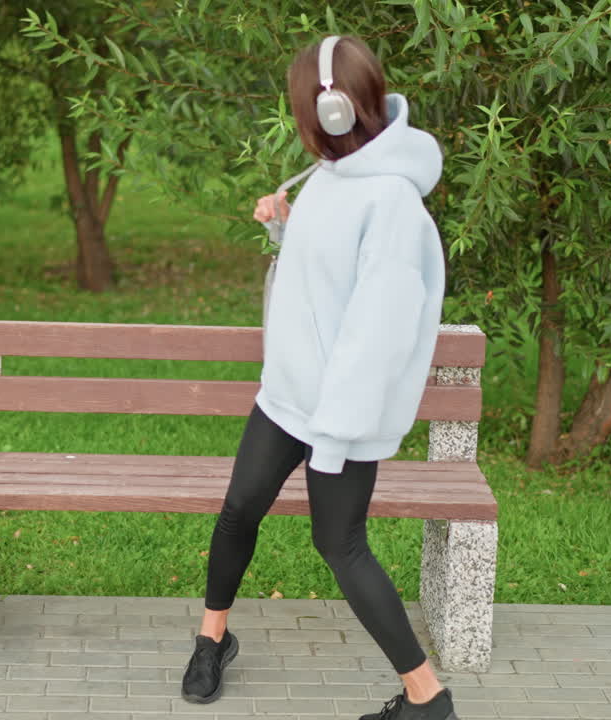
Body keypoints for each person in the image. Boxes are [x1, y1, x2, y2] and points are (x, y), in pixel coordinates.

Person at [179, 34, 455, 720]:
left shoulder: (390, 202)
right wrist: (284, 226)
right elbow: (329, 276)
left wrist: (331, 437)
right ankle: (213, 638)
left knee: (340, 545)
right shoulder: (337, 177)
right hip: (288, 399)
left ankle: (429, 699)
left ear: (331, 111)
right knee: (240, 508)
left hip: (338, 418)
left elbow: (376, 334)